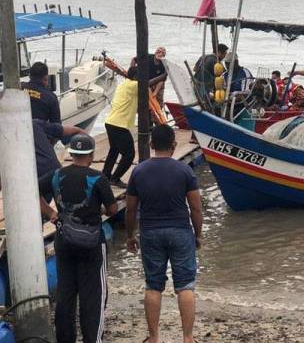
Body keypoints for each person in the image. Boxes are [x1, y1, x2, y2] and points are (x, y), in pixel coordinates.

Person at [126, 124, 203, 343]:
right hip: (180, 231)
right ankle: (187, 338)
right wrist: (198, 235)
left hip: (150, 232)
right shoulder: (184, 171)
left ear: (151, 145)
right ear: (174, 145)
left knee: (153, 285)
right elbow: (196, 208)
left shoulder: (139, 171)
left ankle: (153, 338)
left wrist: (130, 235)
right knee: (185, 285)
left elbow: (131, 208)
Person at [38, 134, 118, 343]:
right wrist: (99, 208)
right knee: (93, 295)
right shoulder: (98, 178)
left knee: (66, 292)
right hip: (92, 243)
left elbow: (33, 190)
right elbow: (111, 209)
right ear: (91, 155)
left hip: (64, 239)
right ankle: (92, 339)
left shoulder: (56, 175)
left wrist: (51, 213)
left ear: (71, 153)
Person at [102, 66, 139, 188]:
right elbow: (147, 84)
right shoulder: (133, 85)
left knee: (114, 150)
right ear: (135, 77)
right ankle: (115, 178)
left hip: (111, 122)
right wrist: (163, 77)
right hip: (119, 124)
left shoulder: (124, 84)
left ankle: (106, 176)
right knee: (129, 154)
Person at [33, 119, 85, 202]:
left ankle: (49, 213)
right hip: (54, 170)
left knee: (35, 199)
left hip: (37, 176)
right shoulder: (35, 124)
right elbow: (61, 130)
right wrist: (78, 130)